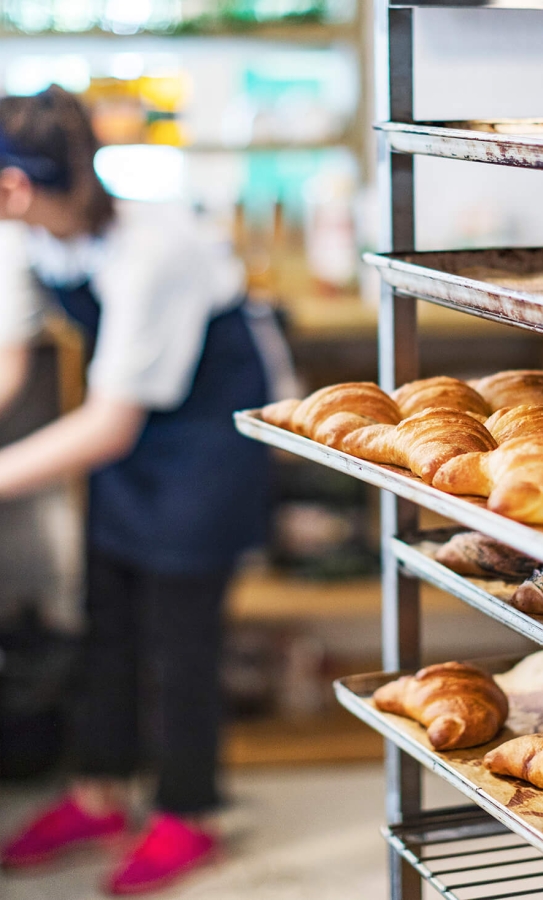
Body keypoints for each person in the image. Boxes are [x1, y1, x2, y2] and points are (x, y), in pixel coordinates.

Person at [0, 85, 289, 894]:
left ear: (15, 186)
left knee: (181, 640)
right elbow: (10, 358)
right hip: (129, 424)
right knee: (109, 618)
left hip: (207, 434)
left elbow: (107, 428)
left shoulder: (151, 248)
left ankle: (188, 813)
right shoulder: (29, 236)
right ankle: (100, 792)